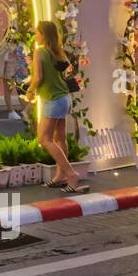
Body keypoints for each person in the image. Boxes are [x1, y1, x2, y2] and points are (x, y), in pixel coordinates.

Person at [28, 20, 88, 193]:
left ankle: (71, 174)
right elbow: (67, 71)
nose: (35, 35)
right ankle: (60, 175)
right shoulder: (58, 51)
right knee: (60, 138)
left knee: (44, 139)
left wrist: (30, 90)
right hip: (64, 98)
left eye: (37, 32)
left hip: (53, 99)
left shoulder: (40, 51)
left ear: (44, 34)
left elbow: (38, 77)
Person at [1, 44, 28, 120]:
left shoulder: (23, 40)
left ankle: (26, 111)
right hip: (9, 65)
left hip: (21, 66)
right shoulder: (7, 39)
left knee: (22, 89)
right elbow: (4, 50)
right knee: (8, 89)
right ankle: (11, 112)